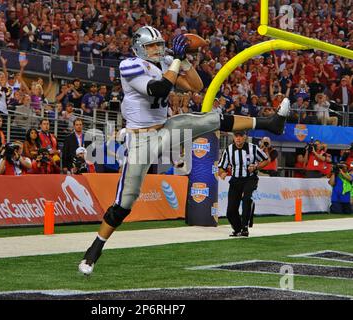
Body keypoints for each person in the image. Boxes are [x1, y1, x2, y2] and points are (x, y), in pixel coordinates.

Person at [78, 26, 291, 275]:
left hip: (164, 128)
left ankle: (271, 124)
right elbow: (157, 90)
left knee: (212, 119)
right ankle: (94, 250)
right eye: (152, 46)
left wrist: (185, 59)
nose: (158, 49)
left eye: (160, 44)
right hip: (140, 140)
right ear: (139, 48)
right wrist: (176, 59)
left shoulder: (165, 61)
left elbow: (196, 85)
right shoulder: (130, 65)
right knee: (125, 202)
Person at [218, 131, 269, 237]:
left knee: (246, 199)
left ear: (245, 137)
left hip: (250, 178)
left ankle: (245, 228)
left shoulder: (253, 148)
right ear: (233, 137)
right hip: (235, 180)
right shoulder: (229, 150)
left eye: (241, 136)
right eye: (236, 136)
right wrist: (222, 172)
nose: (238, 138)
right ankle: (237, 229)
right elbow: (221, 166)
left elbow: (266, 160)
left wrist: (255, 167)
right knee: (230, 211)